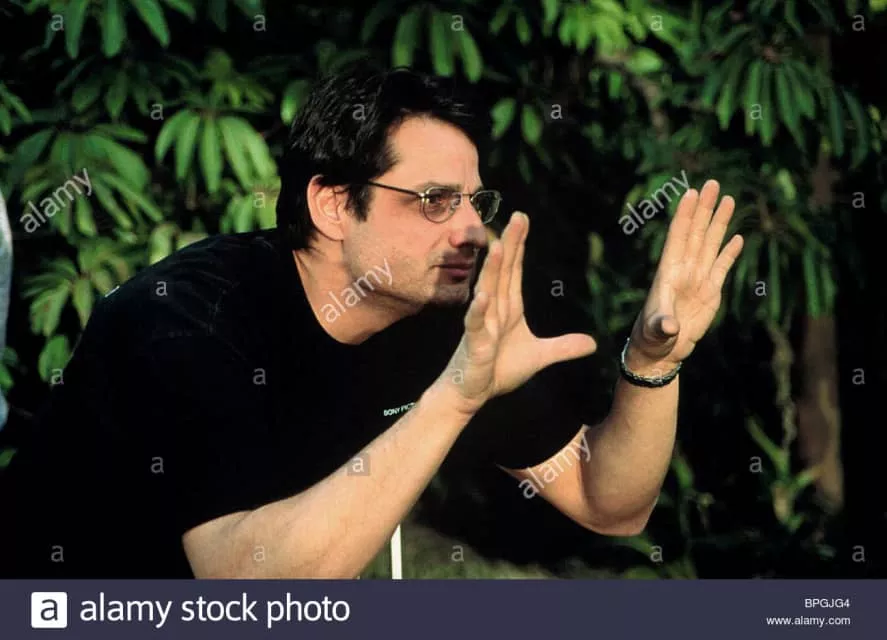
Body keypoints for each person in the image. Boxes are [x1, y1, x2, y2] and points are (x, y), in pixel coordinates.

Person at [0, 65, 742, 578]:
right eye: (433, 201)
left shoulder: (432, 317)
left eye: (474, 202)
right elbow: (244, 585)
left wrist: (652, 361)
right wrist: (454, 398)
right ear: (331, 204)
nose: (470, 230)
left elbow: (609, 504)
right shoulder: (187, 321)